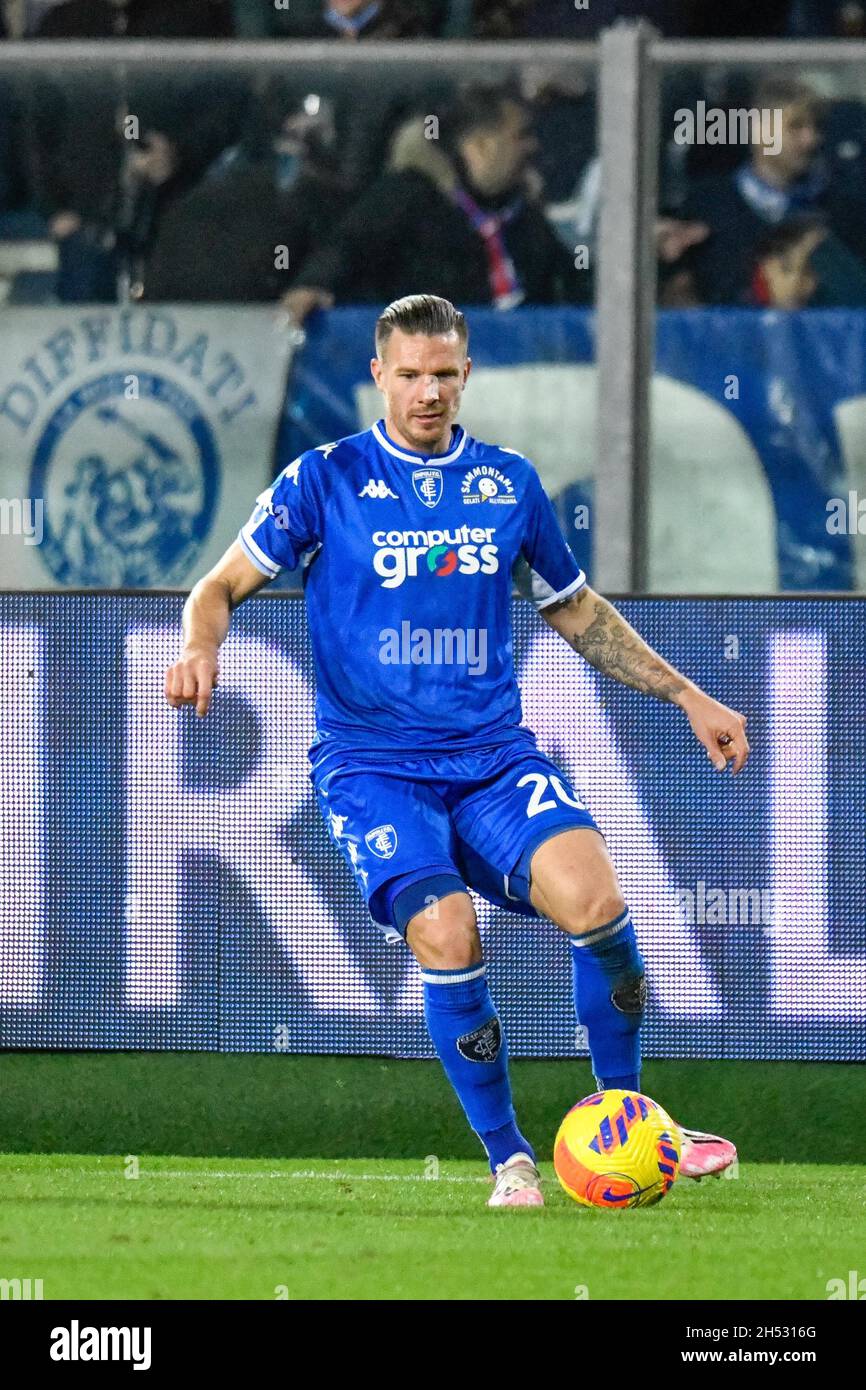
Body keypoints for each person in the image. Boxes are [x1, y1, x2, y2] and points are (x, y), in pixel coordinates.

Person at [165, 293, 746, 1207]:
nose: (428, 392)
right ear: (378, 377)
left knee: (598, 904)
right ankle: (511, 1158)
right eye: (409, 375)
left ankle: (626, 1122)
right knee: (446, 931)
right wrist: (201, 646)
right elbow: (220, 584)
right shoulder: (325, 479)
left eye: (444, 374)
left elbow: (576, 609)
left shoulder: (509, 483)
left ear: (465, 374)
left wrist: (684, 693)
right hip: (374, 768)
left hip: (494, 761)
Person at [282, 84, 591, 327]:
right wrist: (313, 284)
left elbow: (568, 278)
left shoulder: (521, 213)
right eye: (520, 136)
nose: (532, 146)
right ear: (479, 146)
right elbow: (349, 243)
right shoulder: (411, 196)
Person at [678, 78, 866, 306]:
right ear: (760, 129)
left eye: (816, 127)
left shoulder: (842, 209)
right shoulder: (707, 207)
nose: (811, 139)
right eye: (795, 126)